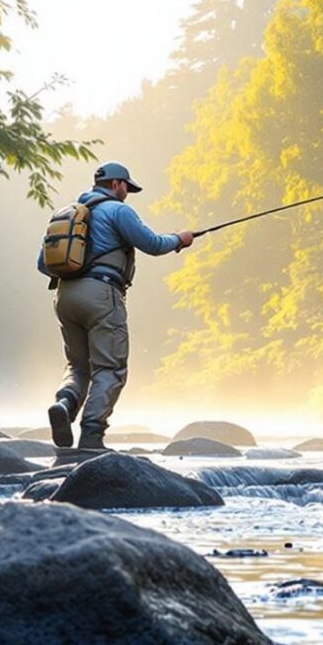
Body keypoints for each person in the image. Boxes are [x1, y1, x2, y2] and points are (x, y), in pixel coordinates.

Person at [48, 161, 193, 452]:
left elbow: (44, 264)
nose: (128, 193)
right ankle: (92, 436)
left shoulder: (68, 215)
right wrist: (180, 239)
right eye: (127, 187)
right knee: (110, 368)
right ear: (116, 184)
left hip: (65, 296)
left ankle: (65, 402)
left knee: (78, 365)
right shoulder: (118, 210)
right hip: (102, 294)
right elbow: (151, 243)